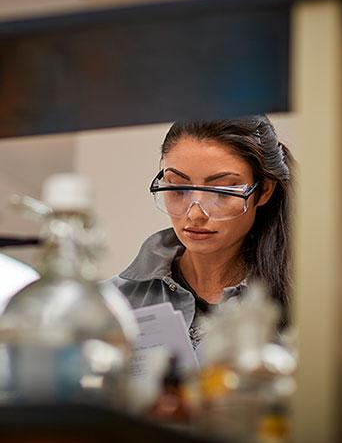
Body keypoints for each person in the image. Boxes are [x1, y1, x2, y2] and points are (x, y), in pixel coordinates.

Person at [112, 116, 293, 350]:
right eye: (178, 188)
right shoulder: (114, 303)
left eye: (222, 191)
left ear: (264, 191)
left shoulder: (304, 302)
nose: (195, 214)